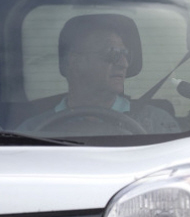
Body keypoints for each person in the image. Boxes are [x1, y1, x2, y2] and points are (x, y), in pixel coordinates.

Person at [17, 14, 180, 135]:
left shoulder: (157, 123)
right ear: (75, 61)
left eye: (126, 54)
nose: (124, 64)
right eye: (112, 53)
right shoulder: (33, 130)